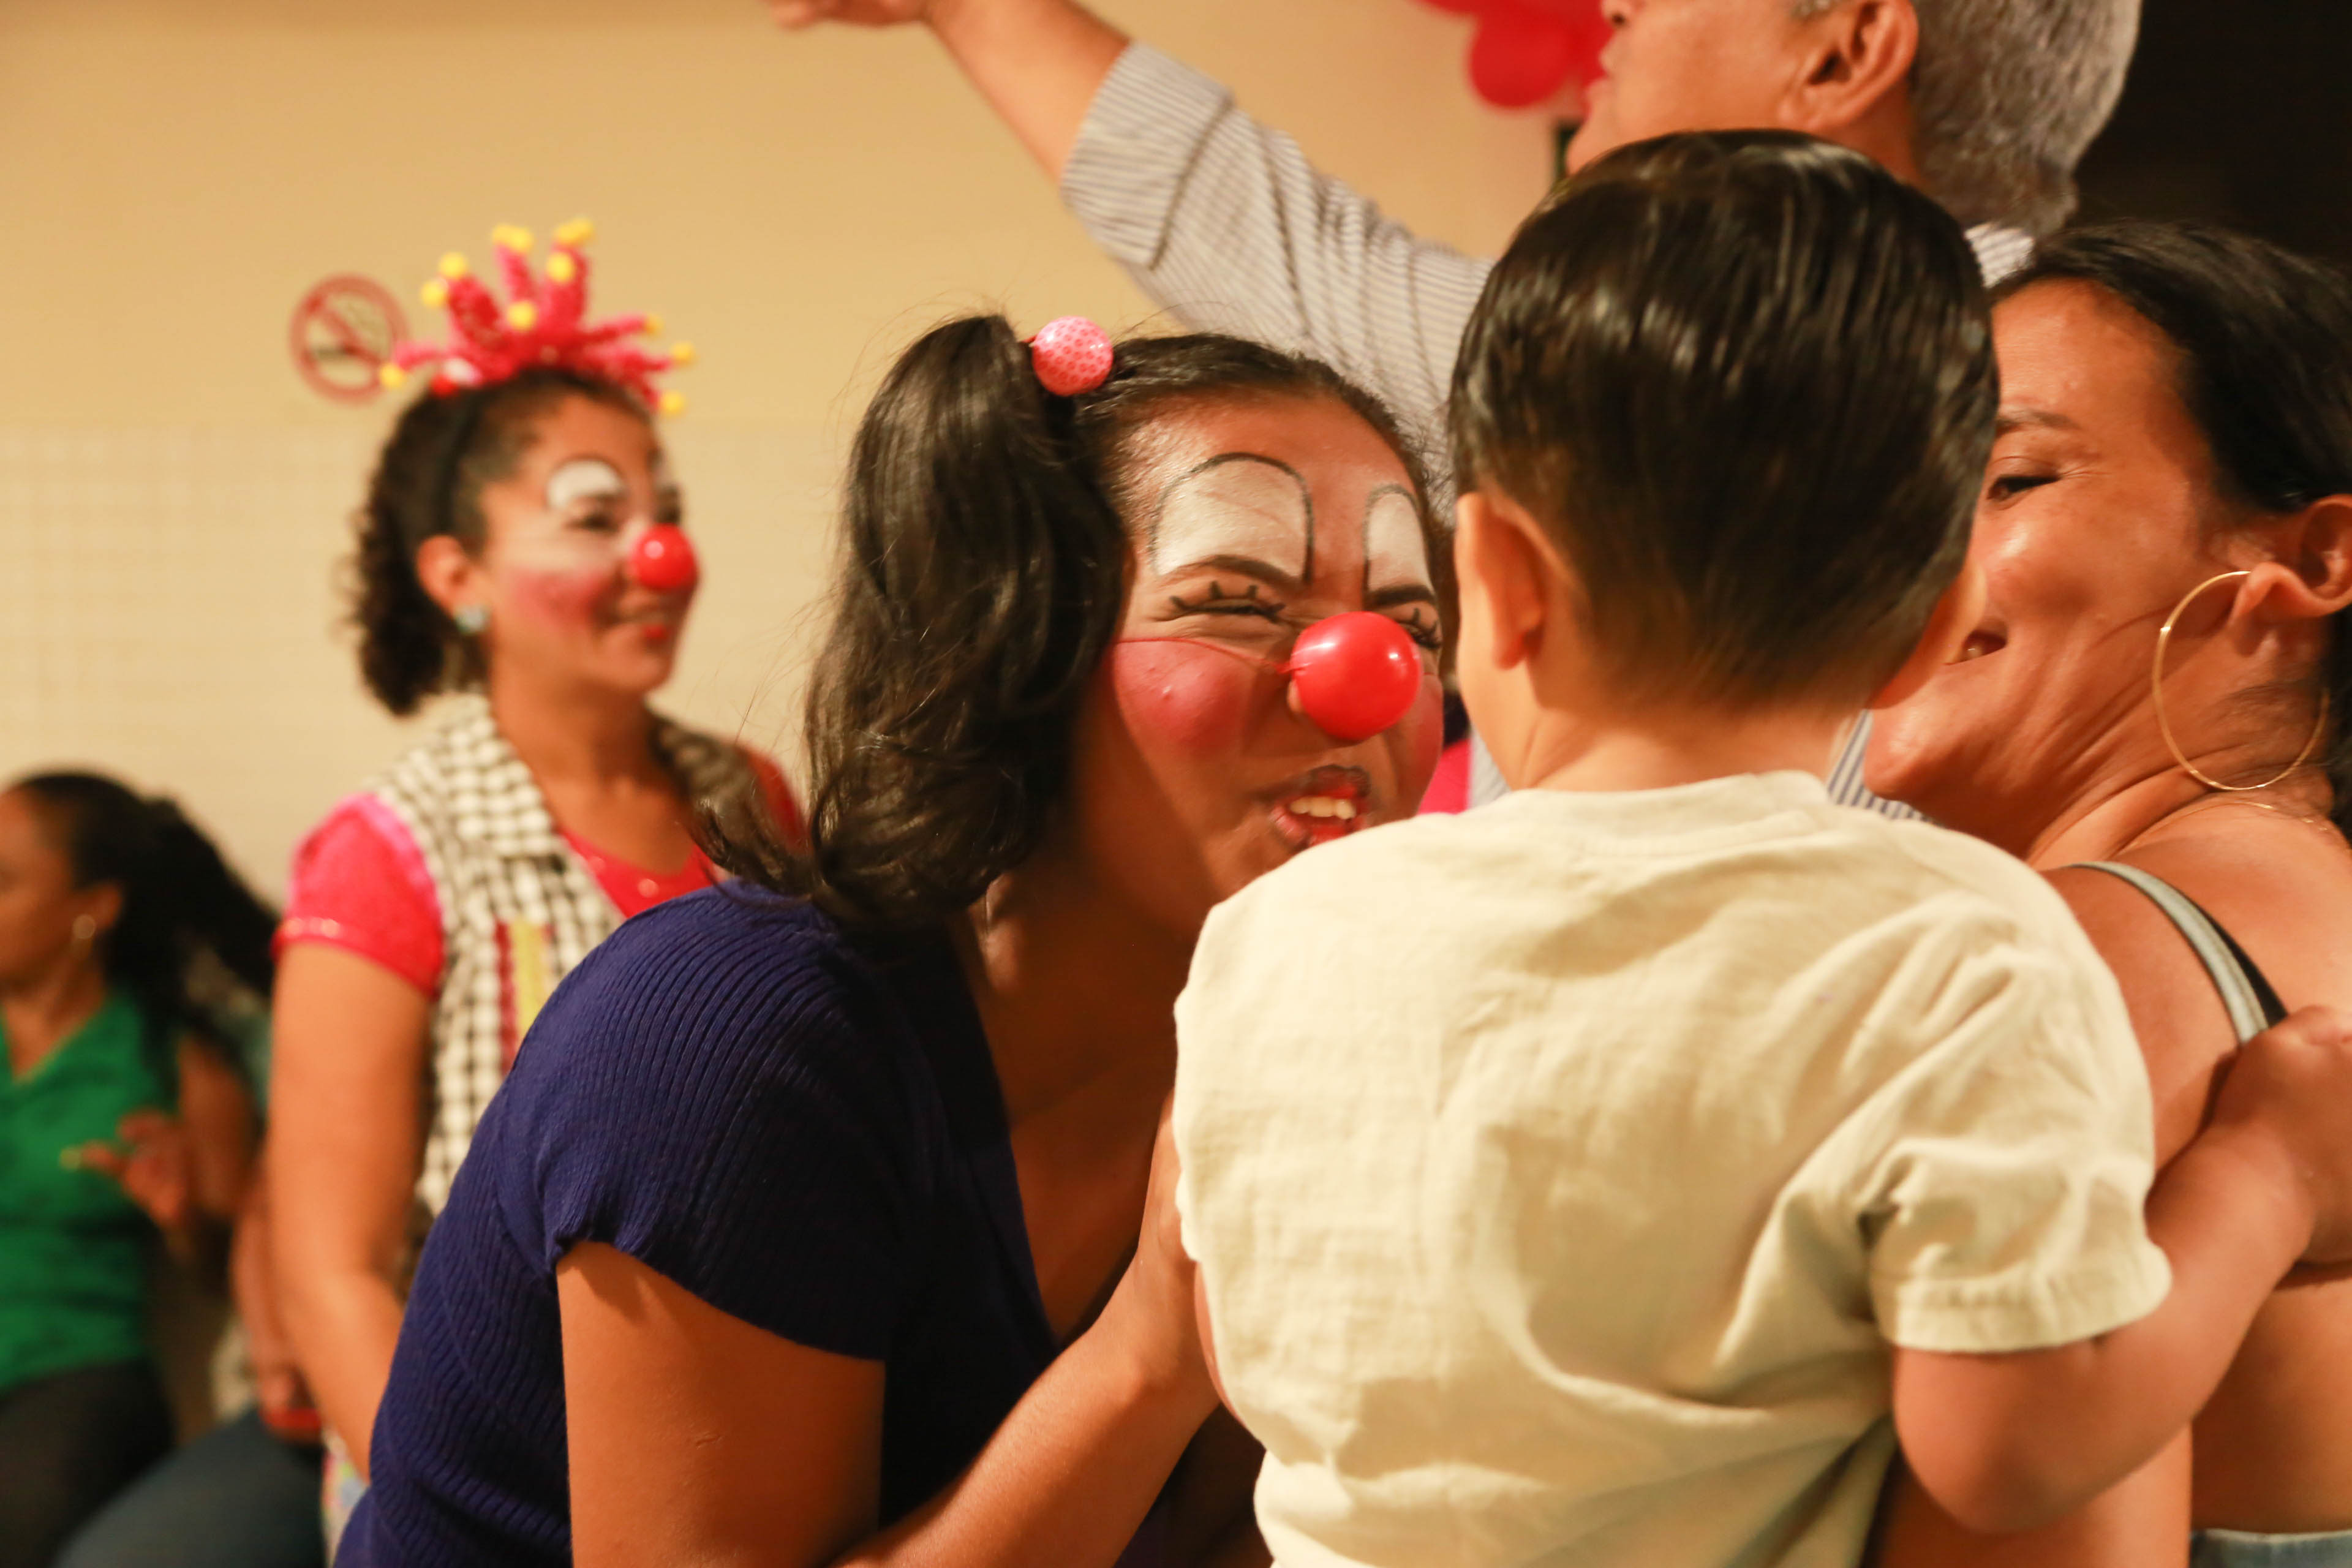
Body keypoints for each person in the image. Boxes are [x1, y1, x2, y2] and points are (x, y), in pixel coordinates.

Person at [1166, 131, 2352, 1568]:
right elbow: (2021, 1442)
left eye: (2019, 476)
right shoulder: (1973, 953)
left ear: (1494, 582)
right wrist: (2266, 1176)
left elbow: (1254, 1347)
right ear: (1925, 621)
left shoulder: (1273, 934)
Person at [341, 314, 1450, 1565]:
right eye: (1238, 602)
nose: (1367, 675)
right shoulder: (730, 1042)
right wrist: (1147, 1358)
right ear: (1021, 646)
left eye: (1411, 618)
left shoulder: (1285, 1035)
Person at [765, 0, 2140, 813]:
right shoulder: (2159, 409)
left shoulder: (1626, 371)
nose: (1608, 12)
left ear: (1845, 48)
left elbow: (1252, 231)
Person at [264, 224, 797, 1534]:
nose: (660, 554)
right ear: (458, 576)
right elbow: (332, 1264)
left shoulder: (754, 799)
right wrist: (457, 1512)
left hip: (747, 1431)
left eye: (665, 512)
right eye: (595, 517)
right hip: (492, 1484)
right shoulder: (391, 850)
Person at [1864, 222, 2352, 1567]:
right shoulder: (2297, 913)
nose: (1912, 550)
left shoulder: (2082, 955)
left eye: (2011, 477)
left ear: (2308, 564)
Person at [0, 772, 271, 1568]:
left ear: (93, 909)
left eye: (5, 883)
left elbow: (237, 1272)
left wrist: (184, 1217)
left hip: (73, 1377)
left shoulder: (175, 1060)